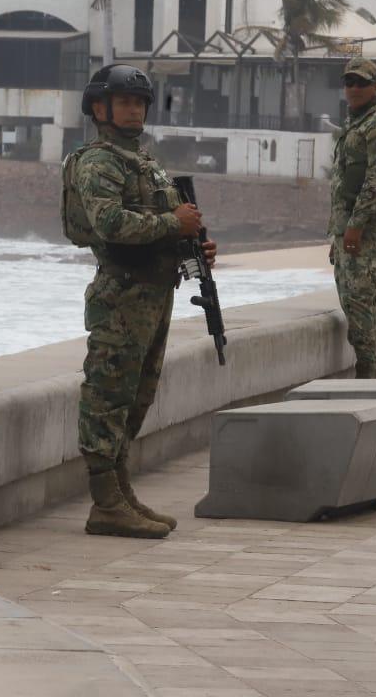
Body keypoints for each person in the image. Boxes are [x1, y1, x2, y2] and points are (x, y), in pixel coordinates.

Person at [62, 64, 216, 539]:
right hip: (122, 294)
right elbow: (109, 224)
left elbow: (161, 217)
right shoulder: (99, 161)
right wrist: (175, 224)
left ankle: (121, 492)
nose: (133, 110)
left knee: (137, 395)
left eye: (139, 102)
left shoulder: (141, 160)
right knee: (108, 396)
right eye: (124, 101)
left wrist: (192, 243)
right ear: (100, 107)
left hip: (153, 291)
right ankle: (105, 502)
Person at [328, 57, 376, 379]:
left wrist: (355, 227)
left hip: (368, 228)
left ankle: (367, 370)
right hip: (348, 228)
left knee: (359, 300)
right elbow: (344, 182)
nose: (354, 89)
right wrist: (338, 233)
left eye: (361, 83)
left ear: (375, 87)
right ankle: (365, 365)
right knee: (349, 297)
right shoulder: (356, 124)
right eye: (349, 82)